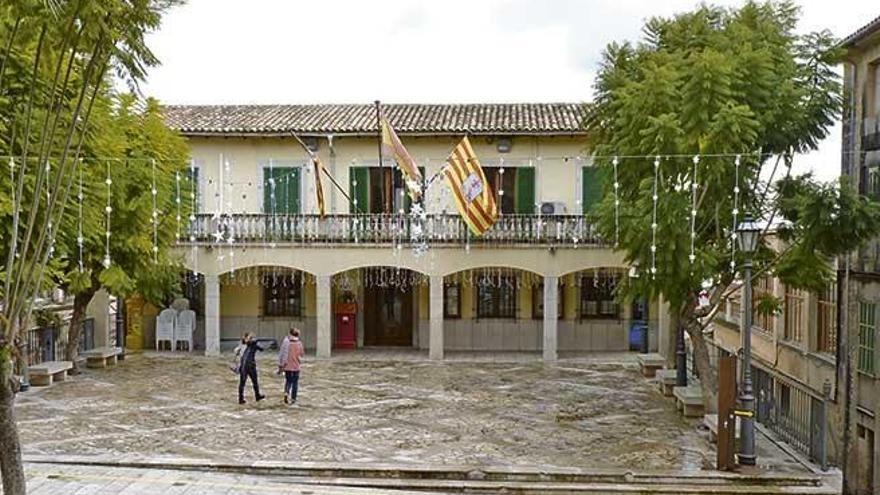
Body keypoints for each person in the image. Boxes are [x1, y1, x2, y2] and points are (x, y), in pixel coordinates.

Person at [238, 332, 267, 404]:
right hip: (249, 365)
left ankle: (242, 398)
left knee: (244, 383)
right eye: (250, 337)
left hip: (243, 366)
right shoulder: (251, 344)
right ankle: (255, 396)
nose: (252, 338)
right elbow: (261, 348)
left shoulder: (243, 345)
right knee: (251, 382)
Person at [277, 327, 305, 405]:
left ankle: (286, 393)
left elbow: (281, 354)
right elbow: (302, 354)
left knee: (288, 381)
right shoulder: (299, 343)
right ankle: (293, 399)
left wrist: (280, 365)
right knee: (295, 383)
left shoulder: (286, 343)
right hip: (296, 366)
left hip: (287, 366)